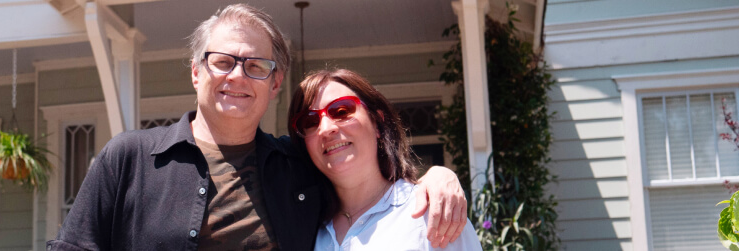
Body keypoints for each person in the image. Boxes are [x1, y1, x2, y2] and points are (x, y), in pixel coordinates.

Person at [48, 4, 466, 251]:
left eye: (256, 65)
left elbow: (363, 182)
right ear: (196, 72)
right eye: (223, 61)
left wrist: (438, 177)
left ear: (275, 82)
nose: (237, 76)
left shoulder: (297, 168)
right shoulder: (129, 159)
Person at [287, 69, 481, 250]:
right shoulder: (302, 228)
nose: (326, 128)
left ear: (377, 123)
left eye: (342, 110)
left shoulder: (434, 215)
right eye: (310, 122)